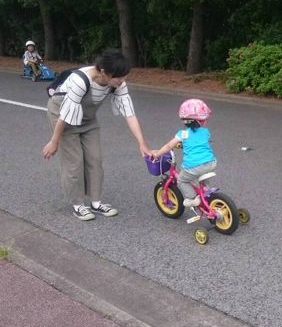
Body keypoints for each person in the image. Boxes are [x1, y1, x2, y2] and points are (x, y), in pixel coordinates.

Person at [42, 48, 152, 221]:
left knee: (95, 158)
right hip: (62, 115)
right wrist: (54, 141)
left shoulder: (118, 83)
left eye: (124, 76)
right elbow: (64, 115)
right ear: (103, 72)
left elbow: (129, 114)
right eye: (119, 77)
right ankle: (78, 205)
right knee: (74, 162)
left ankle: (96, 202)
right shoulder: (81, 79)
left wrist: (142, 143)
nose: (122, 80)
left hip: (88, 119)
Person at [151, 99, 217, 207]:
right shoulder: (206, 132)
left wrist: (157, 154)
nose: (206, 121)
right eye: (205, 120)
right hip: (211, 163)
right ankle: (205, 191)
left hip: (194, 166)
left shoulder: (183, 134)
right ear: (199, 121)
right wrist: (186, 145)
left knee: (181, 180)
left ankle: (192, 199)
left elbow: (169, 146)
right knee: (201, 177)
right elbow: (199, 142)